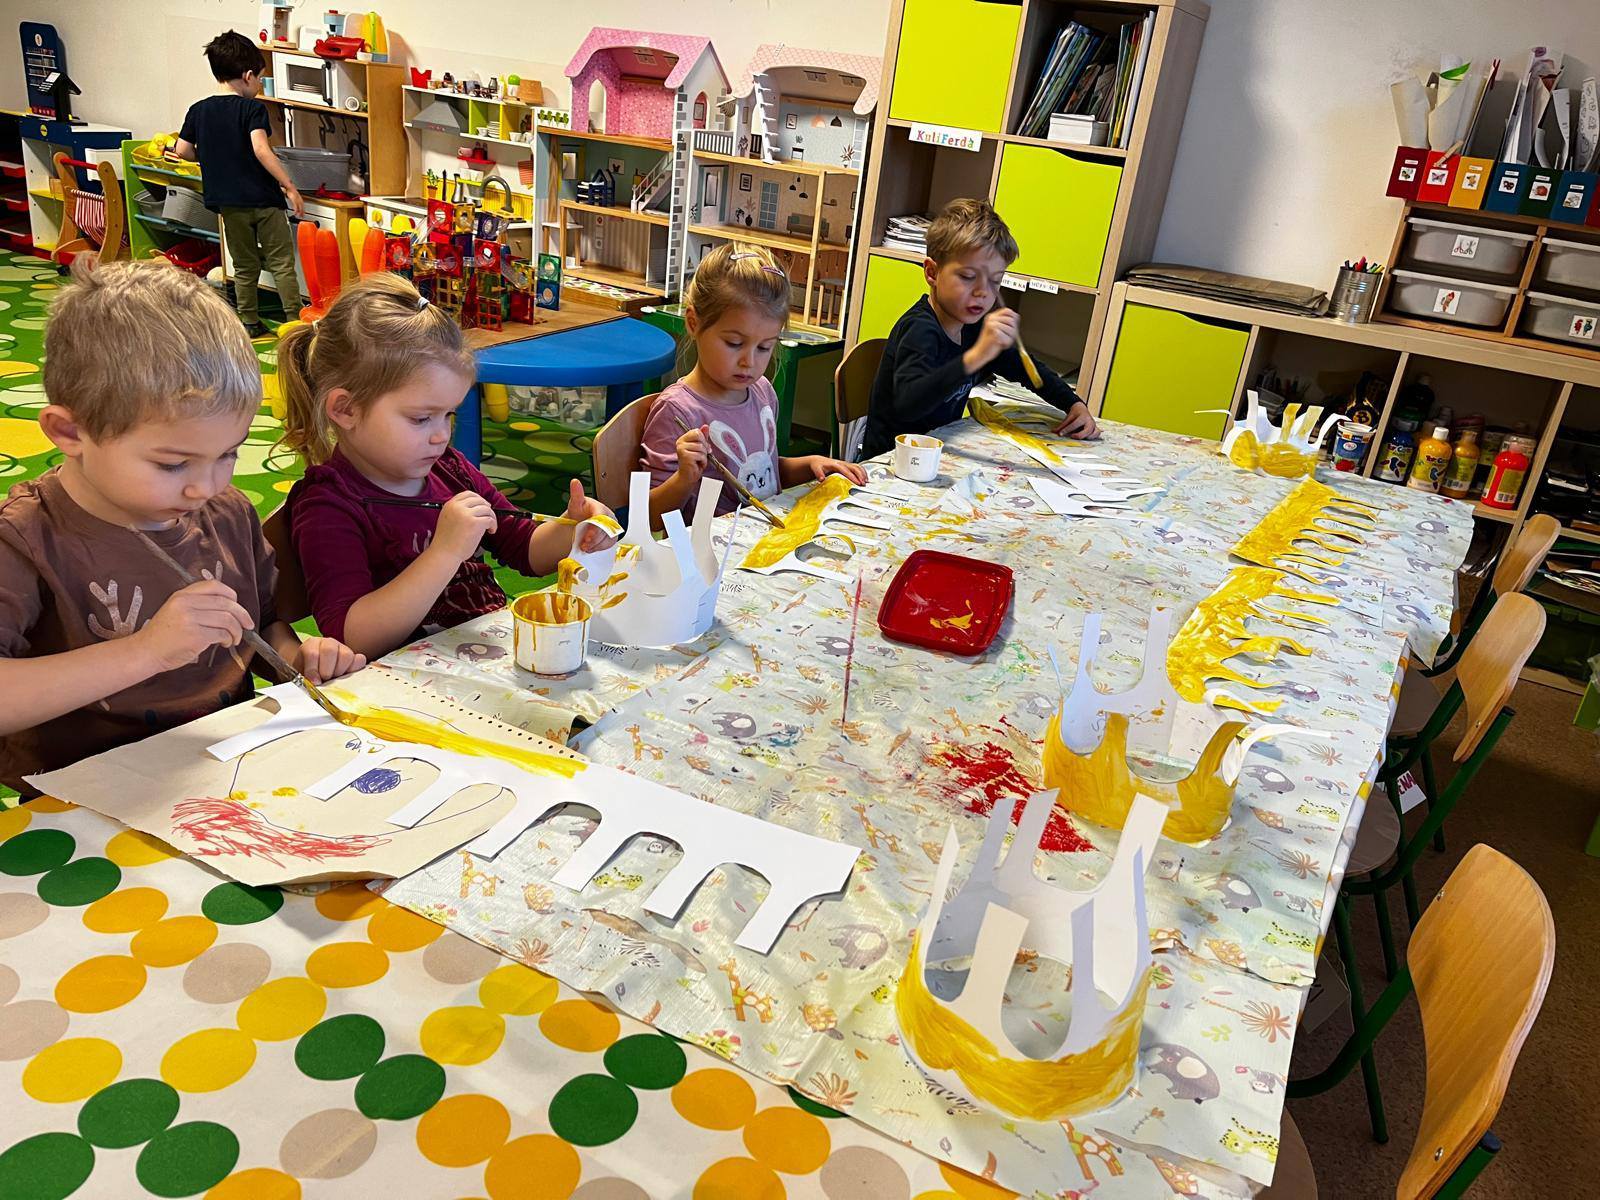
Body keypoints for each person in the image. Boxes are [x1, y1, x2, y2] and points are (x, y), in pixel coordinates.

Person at [0, 257, 364, 796]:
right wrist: (146, 651)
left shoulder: (227, 512)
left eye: (229, 454)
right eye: (173, 465)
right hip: (88, 797)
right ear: (69, 432)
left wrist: (297, 658)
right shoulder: (27, 538)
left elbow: (262, 625)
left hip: (229, 771)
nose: (206, 487)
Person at [280, 273, 616, 661]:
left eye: (449, 415)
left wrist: (573, 529)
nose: (441, 435)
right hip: (403, 683)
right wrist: (444, 552)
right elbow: (354, 637)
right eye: (421, 419)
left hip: (482, 658)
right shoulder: (327, 504)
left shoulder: (449, 470)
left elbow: (524, 548)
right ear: (346, 409)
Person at [640, 242, 865, 526]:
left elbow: (764, 474)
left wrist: (810, 464)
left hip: (767, 537)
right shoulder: (677, 410)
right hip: (711, 549)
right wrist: (684, 478)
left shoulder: (762, 392)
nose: (749, 362)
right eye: (734, 343)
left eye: (764, 347)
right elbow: (649, 518)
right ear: (694, 323)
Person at [859, 198, 1099, 460]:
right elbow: (908, 405)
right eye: (968, 277)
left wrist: (1073, 403)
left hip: (937, 455)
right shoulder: (920, 330)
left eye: (995, 281)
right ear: (932, 273)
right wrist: (976, 357)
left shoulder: (973, 329)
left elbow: (1026, 368)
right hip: (892, 463)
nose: (983, 292)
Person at [175, 30, 306, 336]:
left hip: (228, 203)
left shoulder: (199, 110)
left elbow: (182, 150)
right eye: (260, 78)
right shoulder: (252, 109)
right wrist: (289, 186)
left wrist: (210, 157)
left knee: (244, 265)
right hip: (264, 200)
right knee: (281, 261)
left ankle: (249, 322)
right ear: (248, 76)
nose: (259, 85)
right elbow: (261, 149)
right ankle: (293, 322)